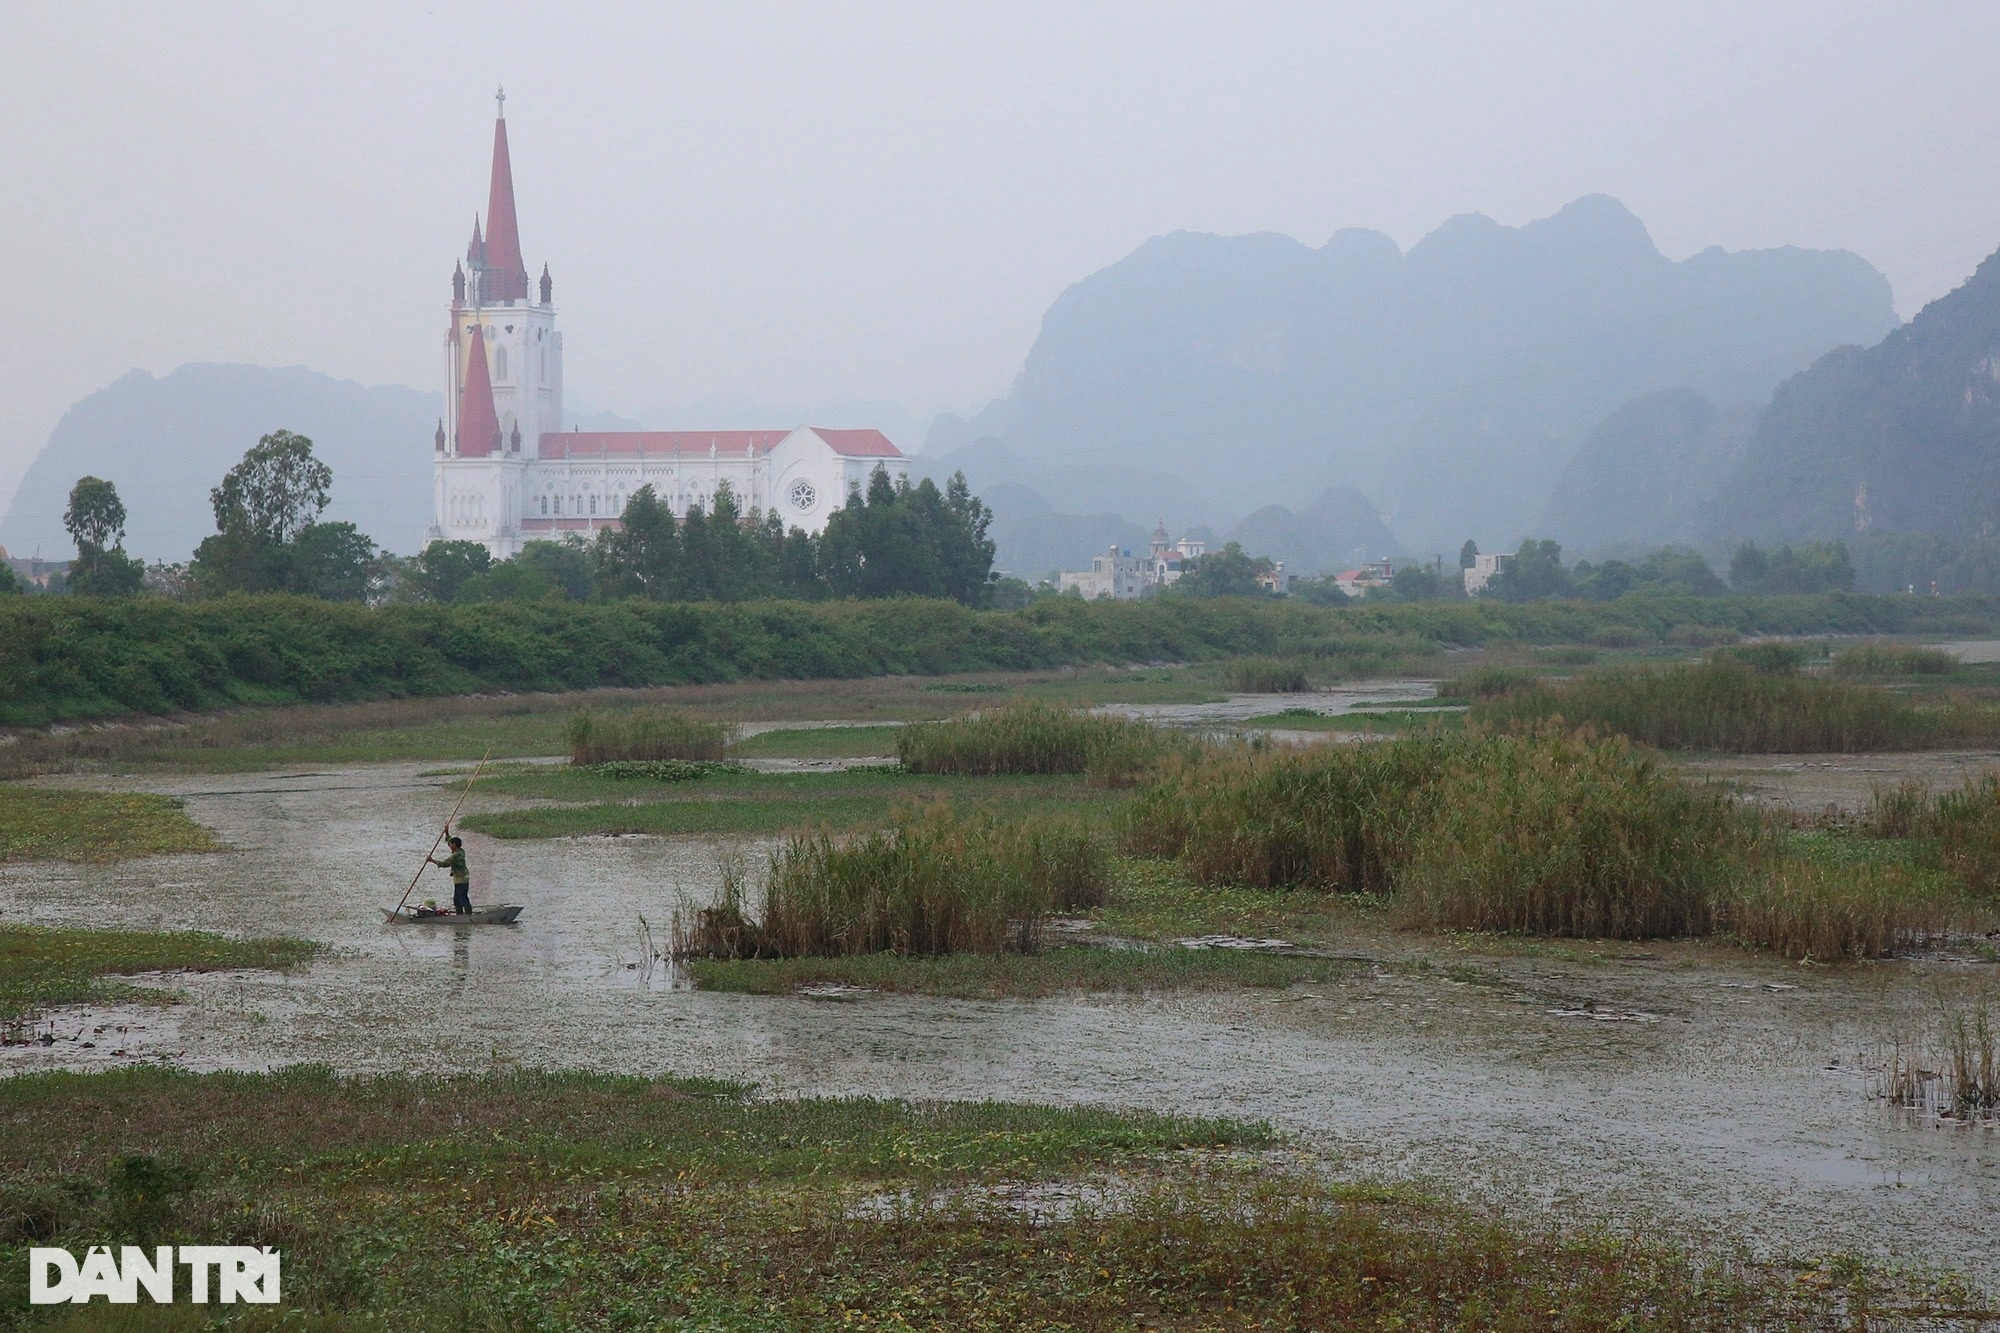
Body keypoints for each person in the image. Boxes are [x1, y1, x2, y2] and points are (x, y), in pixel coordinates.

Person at [430, 832, 472, 915]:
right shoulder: (461, 850)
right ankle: (459, 916)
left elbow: (445, 863)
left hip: (462, 879)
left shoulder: (456, 855)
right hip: (458, 879)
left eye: (451, 844)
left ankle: (469, 916)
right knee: (456, 900)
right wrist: (446, 832)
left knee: (463, 898)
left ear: (455, 845)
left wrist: (432, 861)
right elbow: (449, 841)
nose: (450, 846)